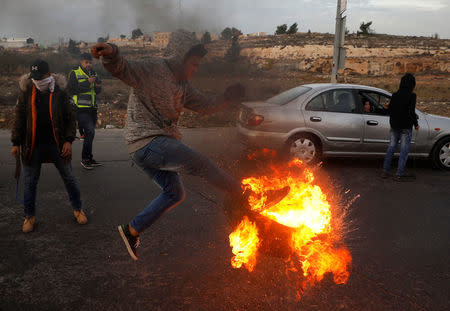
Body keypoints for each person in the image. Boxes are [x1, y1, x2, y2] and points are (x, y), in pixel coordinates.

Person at [91, 30, 289, 260]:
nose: (195, 69)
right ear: (179, 57)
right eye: (193, 64)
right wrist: (111, 52)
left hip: (151, 147)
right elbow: (122, 68)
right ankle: (250, 197)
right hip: (147, 141)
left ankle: (132, 230)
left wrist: (227, 97)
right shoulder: (153, 69)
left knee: (175, 193)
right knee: (201, 163)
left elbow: (205, 106)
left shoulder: (184, 86)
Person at [11, 59, 87, 233]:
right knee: (30, 183)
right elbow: (19, 118)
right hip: (32, 145)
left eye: (39, 77)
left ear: (48, 75)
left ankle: (78, 209)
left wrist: (68, 140)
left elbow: (70, 117)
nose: (36, 80)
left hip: (57, 144)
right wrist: (16, 143)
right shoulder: (26, 90)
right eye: (33, 77)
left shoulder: (60, 91)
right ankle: (29, 216)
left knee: (69, 179)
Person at [381, 73, 419, 181]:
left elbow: (390, 110)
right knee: (404, 150)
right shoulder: (412, 96)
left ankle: (385, 171)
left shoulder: (395, 95)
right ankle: (399, 173)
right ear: (412, 84)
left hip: (394, 125)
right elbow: (411, 112)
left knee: (391, 147)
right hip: (406, 127)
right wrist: (416, 124)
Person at [68, 52, 102, 170]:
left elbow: (97, 90)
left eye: (90, 62)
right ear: (81, 62)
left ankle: (89, 158)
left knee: (90, 135)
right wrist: (88, 82)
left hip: (92, 109)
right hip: (81, 109)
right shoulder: (74, 73)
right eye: (86, 62)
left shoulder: (94, 73)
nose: (89, 64)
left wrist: (98, 87)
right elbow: (71, 89)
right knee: (90, 132)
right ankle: (85, 159)